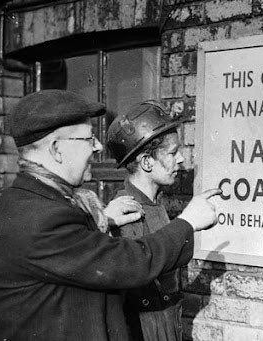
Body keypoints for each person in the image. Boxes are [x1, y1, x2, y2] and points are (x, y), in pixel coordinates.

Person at [0, 90, 220, 341]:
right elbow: (130, 263)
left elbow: (73, 257)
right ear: (57, 149)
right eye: (88, 139)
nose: (98, 146)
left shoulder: (33, 202)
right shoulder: (42, 218)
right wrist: (188, 221)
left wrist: (102, 220)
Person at [106, 101, 193, 341]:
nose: (182, 159)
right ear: (146, 162)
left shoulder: (153, 202)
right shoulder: (128, 210)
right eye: (173, 153)